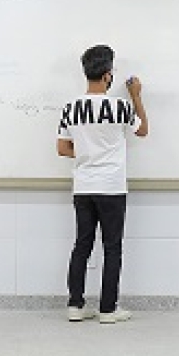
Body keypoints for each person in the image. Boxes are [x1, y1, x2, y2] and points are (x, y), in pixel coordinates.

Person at [57, 44, 148, 325]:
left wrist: (87, 154)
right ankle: (108, 309)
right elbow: (142, 129)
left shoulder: (71, 107)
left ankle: (75, 305)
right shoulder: (120, 106)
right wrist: (135, 95)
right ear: (108, 75)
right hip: (111, 186)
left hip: (83, 186)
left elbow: (62, 148)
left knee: (81, 245)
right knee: (112, 247)